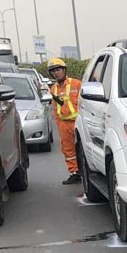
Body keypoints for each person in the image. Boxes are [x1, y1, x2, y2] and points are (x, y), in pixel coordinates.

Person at [47, 57, 82, 185]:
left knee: (82, 148)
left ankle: (86, 170)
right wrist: (59, 124)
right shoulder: (53, 89)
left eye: (58, 69)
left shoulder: (76, 84)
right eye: (53, 71)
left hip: (78, 122)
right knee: (68, 149)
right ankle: (75, 172)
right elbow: (55, 109)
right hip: (64, 124)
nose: (56, 73)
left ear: (64, 69)